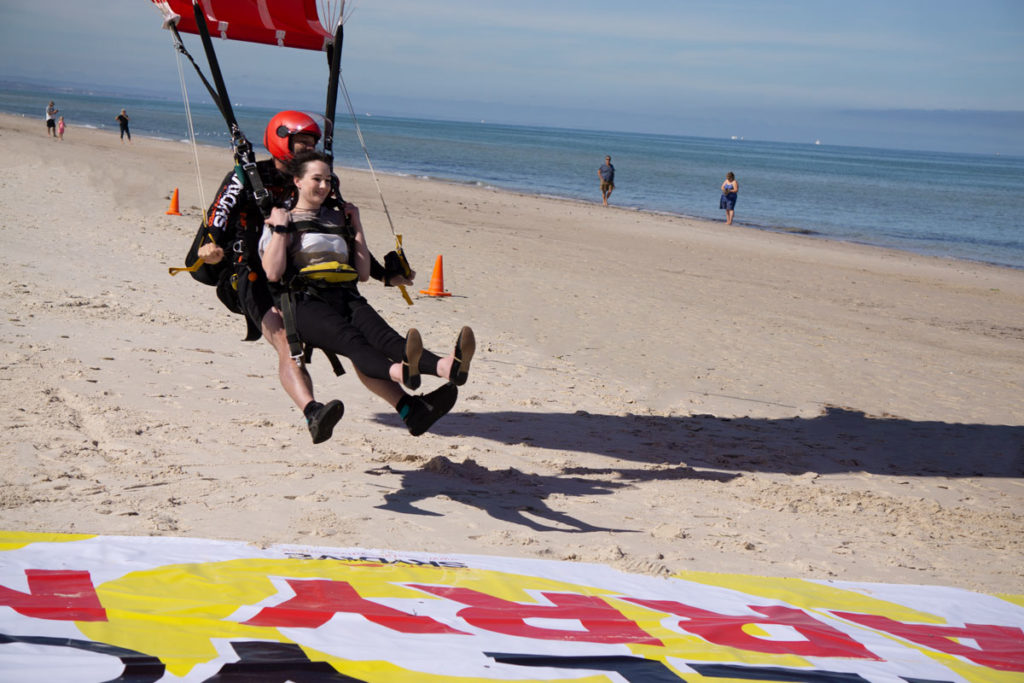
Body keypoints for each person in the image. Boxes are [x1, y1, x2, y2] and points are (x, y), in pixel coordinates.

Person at [194, 111, 418, 443]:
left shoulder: (322, 180)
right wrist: (209, 247)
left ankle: (408, 408)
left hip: (305, 276)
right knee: (287, 343)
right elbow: (219, 218)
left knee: (354, 339)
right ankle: (313, 412)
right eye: (299, 144)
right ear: (280, 140)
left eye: (310, 144)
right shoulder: (245, 176)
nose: (305, 150)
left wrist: (387, 275)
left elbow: (336, 232)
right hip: (253, 274)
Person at [260, 150, 475, 436]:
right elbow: (273, 273)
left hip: (346, 296)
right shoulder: (281, 218)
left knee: (388, 339)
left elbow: (362, 272)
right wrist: (279, 228)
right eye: (316, 179)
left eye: (327, 180)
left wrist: (356, 223)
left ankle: (447, 367)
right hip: (305, 303)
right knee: (355, 343)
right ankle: (400, 373)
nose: (323, 186)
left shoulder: (336, 219)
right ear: (297, 181)